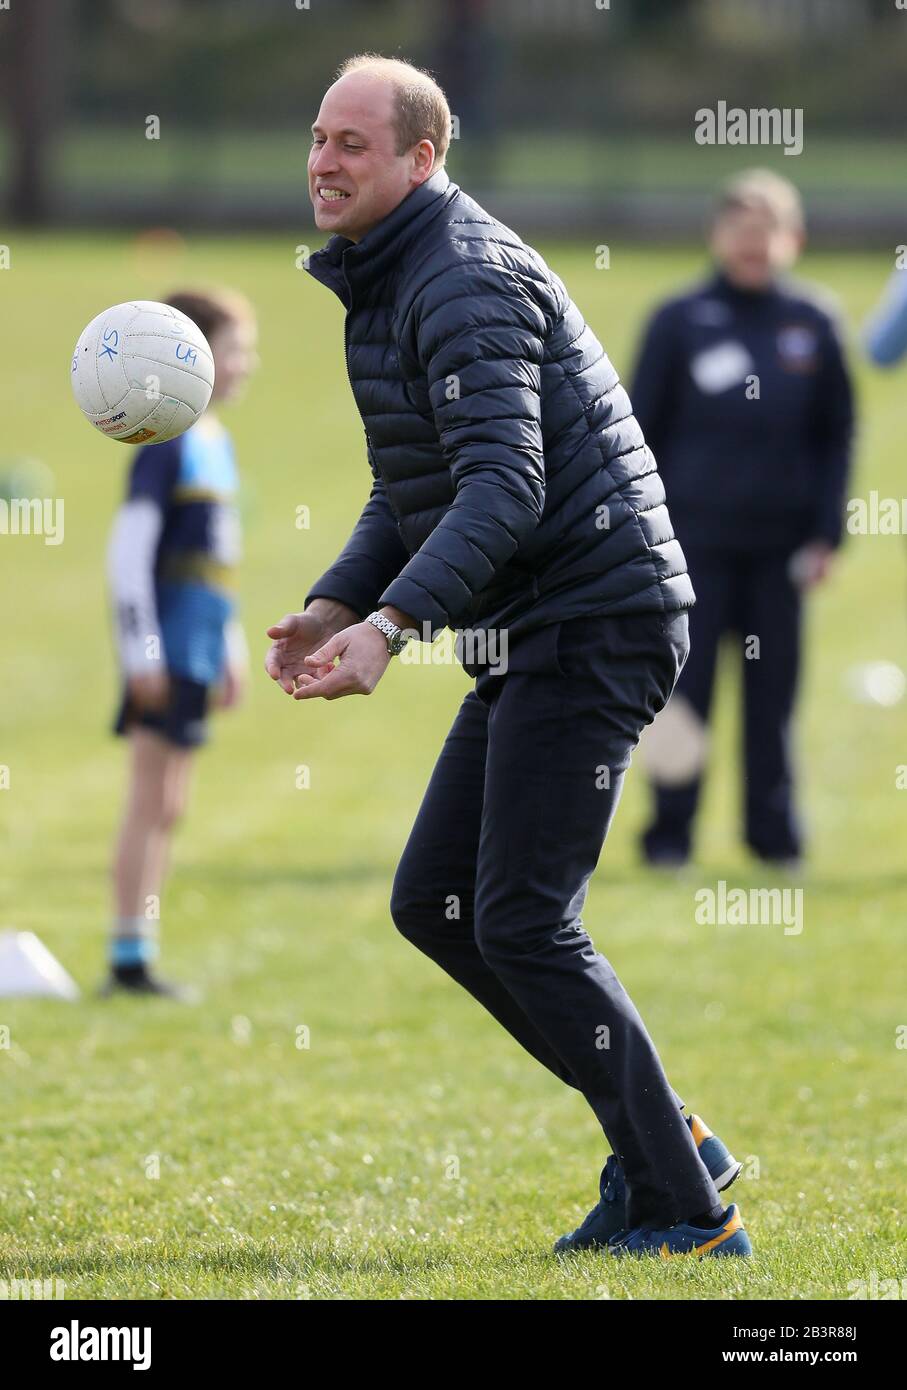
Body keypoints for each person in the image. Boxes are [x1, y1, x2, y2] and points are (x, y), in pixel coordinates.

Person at [265, 55, 750, 1258]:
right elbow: (413, 481)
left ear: (422, 159)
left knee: (524, 921)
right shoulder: (389, 275)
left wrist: (391, 629)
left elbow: (504, 489)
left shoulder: (462, 279)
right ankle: (664, 1146)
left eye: (353, 146)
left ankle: (688, 1215)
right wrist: (337, 600)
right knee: (436, 904)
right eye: (318, 139)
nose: (324, 162)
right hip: (541, 623)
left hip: (598, 616)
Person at [631, 170, 855, 869]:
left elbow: (836, 437)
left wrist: (826, 534)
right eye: (742, 230)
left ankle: (772, 838)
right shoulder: (680, 319)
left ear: (793, 238)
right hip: (690, 546)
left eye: (769, 232)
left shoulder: (812, 323)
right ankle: (668, 838)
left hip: (779, 549)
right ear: (718, 234)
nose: (754, 245)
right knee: (681, 696)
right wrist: (642, 535)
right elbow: (636, 435)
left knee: (771, 699)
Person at [103, 288, 257, 999]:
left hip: (196, 650)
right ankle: (127, 957)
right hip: (162, 652)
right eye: (234, 351)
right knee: (147, 797)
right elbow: (129, 555)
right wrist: (144, 656)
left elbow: (214, 563)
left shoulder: (218, 442)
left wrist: (226, 648)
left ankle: (143, 947)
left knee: (171, 802)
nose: (245, 365)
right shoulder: (165, 444)